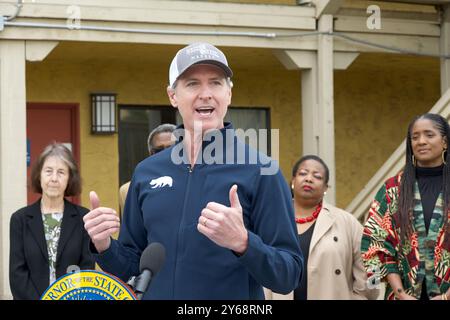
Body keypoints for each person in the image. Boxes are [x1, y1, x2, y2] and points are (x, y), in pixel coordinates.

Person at [83, 42, 303, 299]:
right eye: (192, 84)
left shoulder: (262, 171)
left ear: (229, 94)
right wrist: (104, 245)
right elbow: (135, 269)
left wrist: (243, 243)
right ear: (172, 96)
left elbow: (289, 275)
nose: (206, 93)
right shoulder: (146, 172)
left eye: (216, 82)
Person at [361, 113, 450, 300]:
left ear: (445, 142)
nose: (421, 141)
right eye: (415, 137)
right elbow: (373, 244)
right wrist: (401, 294)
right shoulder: (392, 189)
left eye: (429, 135)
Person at [266, 155, 378, 300]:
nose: (309, 179)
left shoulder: (347, 222)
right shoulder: (273, 219)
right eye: (303, 173)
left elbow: (372, 264)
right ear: (293, 181)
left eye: (317, 176)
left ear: (326, 187)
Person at [9, 143, 95, 300]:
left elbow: (87, 268)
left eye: (61, 172)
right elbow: (17, 274)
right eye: (48, 171)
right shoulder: (19, 219)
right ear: (39, 176)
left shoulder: (83, 218)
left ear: (70, 178)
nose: (54, 178)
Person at [119, 123, 176, 213]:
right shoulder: (128, 190)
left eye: (171, 149)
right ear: (150, 154)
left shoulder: (198, 182)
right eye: (159, 150)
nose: (165, 155)